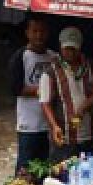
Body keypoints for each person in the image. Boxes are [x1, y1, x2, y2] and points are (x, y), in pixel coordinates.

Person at [40, 27, 93, 161]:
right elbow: (45, 103)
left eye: (73, 49)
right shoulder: (51, 71)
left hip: (88, 132)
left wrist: (82, 109)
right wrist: (54, 126)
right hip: (64, 136)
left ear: (80, 47)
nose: (70, 52)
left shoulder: (91, 66)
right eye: (66, 48)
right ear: (60, 47)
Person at [8, 16, 57, 173]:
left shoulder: (54, 57)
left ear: (48, 33)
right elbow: (16, 88)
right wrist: (42, 90)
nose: (38, 35)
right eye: (35, 31)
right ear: (27, 33)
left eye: (42, 31)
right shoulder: (20, 57)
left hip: (50, 124)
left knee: (44, 167)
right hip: (28, 125)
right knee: (25, 170)